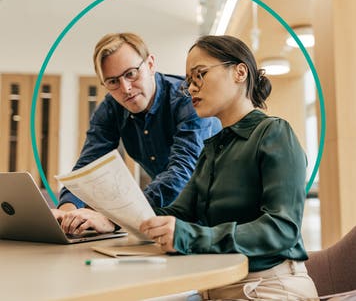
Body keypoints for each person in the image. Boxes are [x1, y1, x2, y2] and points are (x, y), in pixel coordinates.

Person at [140, 35, 318, 300]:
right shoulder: (212, 149)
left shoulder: (274, 133)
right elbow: (178, 214)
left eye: (199, 75)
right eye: (189, 81)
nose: (191, 88)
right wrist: (111, 218)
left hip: (270, 287)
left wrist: (189, 236)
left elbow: (281, 229)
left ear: (240, 72)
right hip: (218, 287)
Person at [52, 32, 221, 235]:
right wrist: (67, 212)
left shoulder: (187, 99)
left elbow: (182, 171)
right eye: (113, 82)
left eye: (131, 73)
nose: (126, 88)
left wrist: (115, 218)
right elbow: (87, 167)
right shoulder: (111, 109)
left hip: (215, 215)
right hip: (167, 215)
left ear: (150, 64)